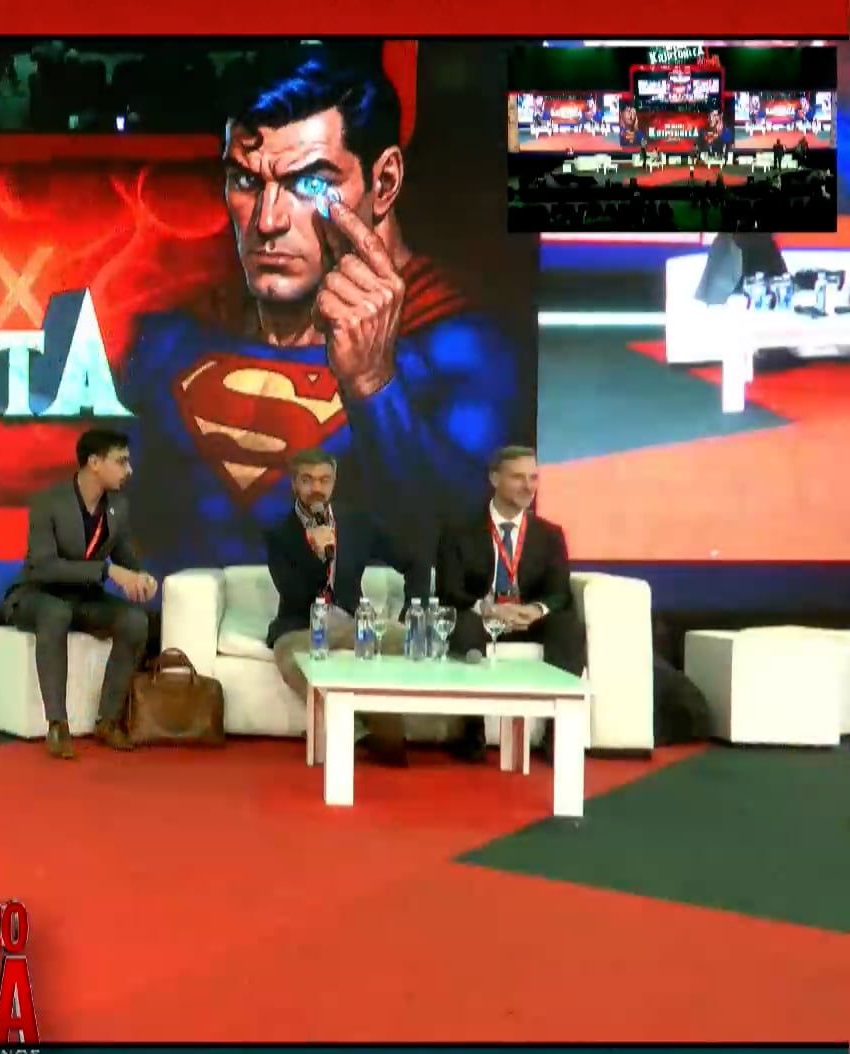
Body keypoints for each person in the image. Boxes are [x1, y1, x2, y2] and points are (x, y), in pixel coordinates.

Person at [124, 44, 521, 574]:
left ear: (384, 183)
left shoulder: (458, 345)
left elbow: (462, 555)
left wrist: (375, 386)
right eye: (246, 181)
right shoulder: (177, 337)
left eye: (310, 183)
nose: (268, 221)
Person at [1, 429, 156, 760]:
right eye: (121, 462)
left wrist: (142, 578)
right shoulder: (48, 502)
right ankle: (57, 724)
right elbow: (44, 566)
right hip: (37, 595)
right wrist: (107, 571)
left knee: (134, 621)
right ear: (94, 463)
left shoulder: (117, 507)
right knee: (56, 612)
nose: (129, 470)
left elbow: (127, 559)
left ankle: (108, 720)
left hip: (84, 599)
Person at [264, 448, 425, 764]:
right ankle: (354, 732)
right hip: (303, 627)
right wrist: (316, 553)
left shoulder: (358, 523)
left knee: (408, 640)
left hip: (354, 622)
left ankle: (392, 727)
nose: (316, 488)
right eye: (307, 480)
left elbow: (415, 562)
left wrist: (411, 613)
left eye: (324, 480)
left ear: (334, 482)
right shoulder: (279, 534)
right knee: (288, 654)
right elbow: (294, 593)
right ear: (294, 484)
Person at [435, 445, 586, 762]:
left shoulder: (549, 535)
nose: (528, 486)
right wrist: (487, 608)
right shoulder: (459, 530)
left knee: (568, 627)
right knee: (463, 625)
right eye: (518, 477)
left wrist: (535, 610)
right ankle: (472, 730)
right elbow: (449, 590)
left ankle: (557, 732)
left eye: (533, 477)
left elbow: (559, 592)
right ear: (494, 478)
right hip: (483, 616)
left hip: (528, 619)